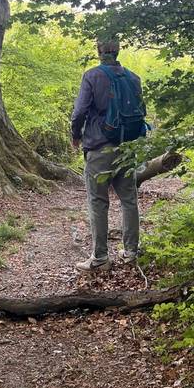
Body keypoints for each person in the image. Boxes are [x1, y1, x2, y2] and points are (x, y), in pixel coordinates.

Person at [71, 37, 145, 272]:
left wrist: (76, 134)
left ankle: (100, 257)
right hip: (127, 148)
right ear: (119, 50)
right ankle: (131, 252)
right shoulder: (133, 78)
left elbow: (80, 110)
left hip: (99, 147)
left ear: (99, 51)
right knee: (129, 200)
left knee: (98, 201)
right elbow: (141, 111)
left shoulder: (92, 76)